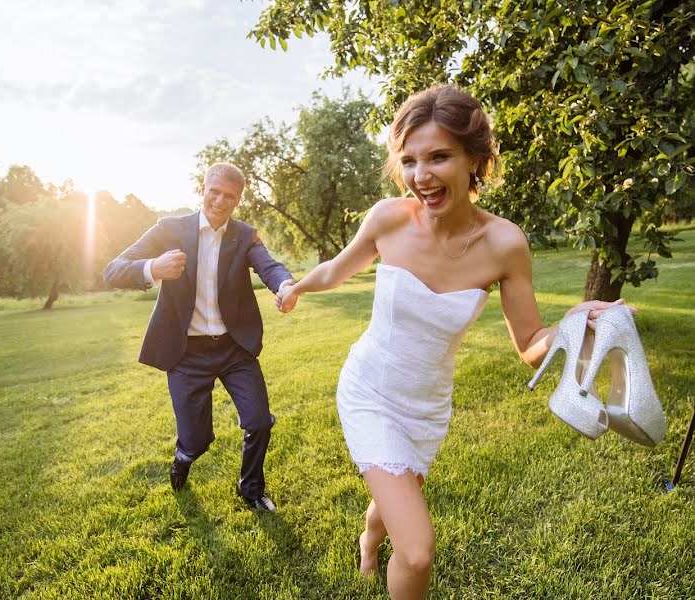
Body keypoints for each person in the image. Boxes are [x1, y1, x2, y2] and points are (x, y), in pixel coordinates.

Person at [275, 85, 627, 598]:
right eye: (410, 160)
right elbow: (333, 270)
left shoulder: (505, 244)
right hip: (370, 391)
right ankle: (386, 545)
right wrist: (296, 288)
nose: (421, 177)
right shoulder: (389, 219)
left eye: (439, 157)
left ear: (475, 160)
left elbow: (530, 342)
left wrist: (574, 323)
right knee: (416, 553)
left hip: (427, 406)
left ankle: (368, 538)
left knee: (399, 492)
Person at [104, 163, 294, 512]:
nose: (220, 201)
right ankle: (183, 456)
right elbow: (113, 269)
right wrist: (151, 269)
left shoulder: (244, 235)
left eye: (230, 196)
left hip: (234, 348)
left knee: (259, 421)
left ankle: (250, 489)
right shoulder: (170, 229)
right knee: (197, 439)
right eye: (215, 192)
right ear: (203, 189)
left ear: (238, 201)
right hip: (186, 353)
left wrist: (284, 285)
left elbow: (269, 265)